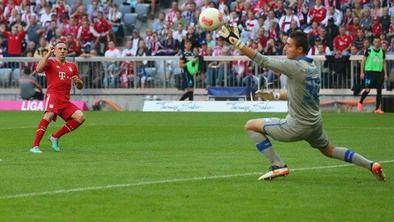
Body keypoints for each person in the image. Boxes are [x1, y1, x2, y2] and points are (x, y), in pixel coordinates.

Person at [218, 26, 385, 181]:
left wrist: (237, 43)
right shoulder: (312, 67)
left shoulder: (294, 66)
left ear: (299, 50)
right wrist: (274, 95)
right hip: (315, 122)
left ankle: (278, 165)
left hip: (297, 125)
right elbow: (296, 94)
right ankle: (371, 165)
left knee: (250, 125)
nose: (285, 48)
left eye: (289, 45)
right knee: (330, 150)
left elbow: (263, 60)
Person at [30, 41, 85, 154]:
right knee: (48, 116)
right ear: (55, 51)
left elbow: (80, 86)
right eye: (59, 49)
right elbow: (39, 69)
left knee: (80, 117)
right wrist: (47, 54)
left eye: (64, 49)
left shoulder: (72, 66)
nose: (62, 51)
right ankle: (35, 146)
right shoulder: (50, 62)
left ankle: (55, 136)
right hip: (53, 95)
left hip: (65, 100)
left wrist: (78, 81)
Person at [357, 37, 387, 114]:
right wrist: (362, 72)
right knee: (367, 89)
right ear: (373, 43)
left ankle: (377, 109)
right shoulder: (369, 50)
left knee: (379, 90)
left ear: (380, 43)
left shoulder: (382, 52)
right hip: (369, 72)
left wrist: (385, 74)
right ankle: (360, 102)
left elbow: (384, 62)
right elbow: (363, 61)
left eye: (378, 42)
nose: (377, 43)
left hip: (379, 73)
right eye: (375, 42)